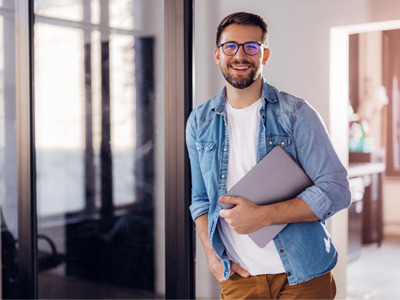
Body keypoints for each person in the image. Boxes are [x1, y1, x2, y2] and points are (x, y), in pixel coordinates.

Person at [186, 12, 351, 300]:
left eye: (251, 47)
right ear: (217, 54)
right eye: (230, 46)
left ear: (265, 55)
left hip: (303, 276)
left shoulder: (297, 114)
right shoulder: (199, 121)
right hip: (240, 279)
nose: (240, 55)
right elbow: (200, 200)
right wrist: (212, 257)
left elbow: (336, 191)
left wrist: (260, 217)